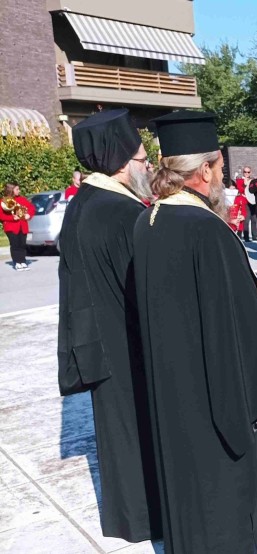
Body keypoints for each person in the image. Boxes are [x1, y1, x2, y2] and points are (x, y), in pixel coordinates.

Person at [134, 110, 257, 554]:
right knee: (236, 505)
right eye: (220, 169)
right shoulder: (206, 230)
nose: (222, 180)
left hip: (176, 391)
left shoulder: (147, 222)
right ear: (204, 170)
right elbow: (237, 326)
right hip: (219, 402)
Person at [59, 108, 161, 542]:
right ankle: (147, 520)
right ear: (121, 161)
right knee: (137, 432)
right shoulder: (122, 212)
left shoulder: (83, 203)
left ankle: (128, 519)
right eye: (142, 160)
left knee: (116, 433)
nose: (148, 167)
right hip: (127, 341)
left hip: (98, 339)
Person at [1, 183, 36, 271]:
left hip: (22, 226)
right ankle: (17, 262)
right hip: (11, 227)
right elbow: (1, 216)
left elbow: (31, 208)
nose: (19, 191)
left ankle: (23, 261)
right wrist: (12, 218)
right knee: (15, 244)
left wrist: (29, 214)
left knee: (22, 244)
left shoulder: (21, 199)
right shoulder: (4, 200)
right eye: (17, 189)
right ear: (11, 190)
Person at [239, 166, 257, 242]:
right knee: (246, 220)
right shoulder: (240, 180)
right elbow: (240, 189)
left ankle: (255, 235)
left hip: (253, 202)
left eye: (248, 172)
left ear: (250, 172)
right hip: (245, 202)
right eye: (245, 172)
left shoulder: (253, 181)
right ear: (243, 172)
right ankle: (246, 236)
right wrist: (244, 184)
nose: (246, 173)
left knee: (254, 219)